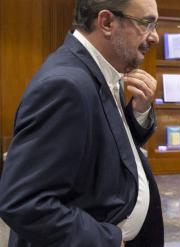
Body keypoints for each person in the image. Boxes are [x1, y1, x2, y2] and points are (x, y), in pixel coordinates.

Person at [0, 0, 164, 246]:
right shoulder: (66, 86)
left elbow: (110, 143)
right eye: (146, 23)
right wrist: (105, 239)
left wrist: (139, 110)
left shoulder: (100, 68)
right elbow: (24, 201)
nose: (156, 37)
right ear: (107, 22)